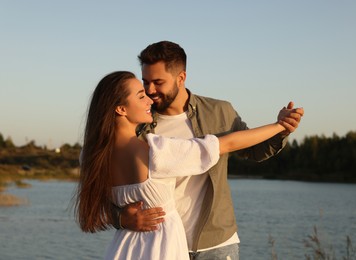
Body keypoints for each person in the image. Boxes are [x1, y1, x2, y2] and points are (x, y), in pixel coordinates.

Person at [114, 41, 304, 259]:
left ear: (181, 78)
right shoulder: (138, 124)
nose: (150, 91)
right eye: (145, 82)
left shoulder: (219, 111)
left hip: (217, 243)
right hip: (159, 245)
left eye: (158, 82)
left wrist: (281, 130)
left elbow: (255, 151)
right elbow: (110, 194)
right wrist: (121, 218)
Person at [74, 70, 292, 259]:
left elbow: (95, 211)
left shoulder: (91, 156)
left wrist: (121, 218)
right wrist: (279, 126)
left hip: (124, 247)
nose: (149, 99)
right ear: (121, 109)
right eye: (141, 96)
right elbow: (228, 143)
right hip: (161, 247)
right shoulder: (154, 152)